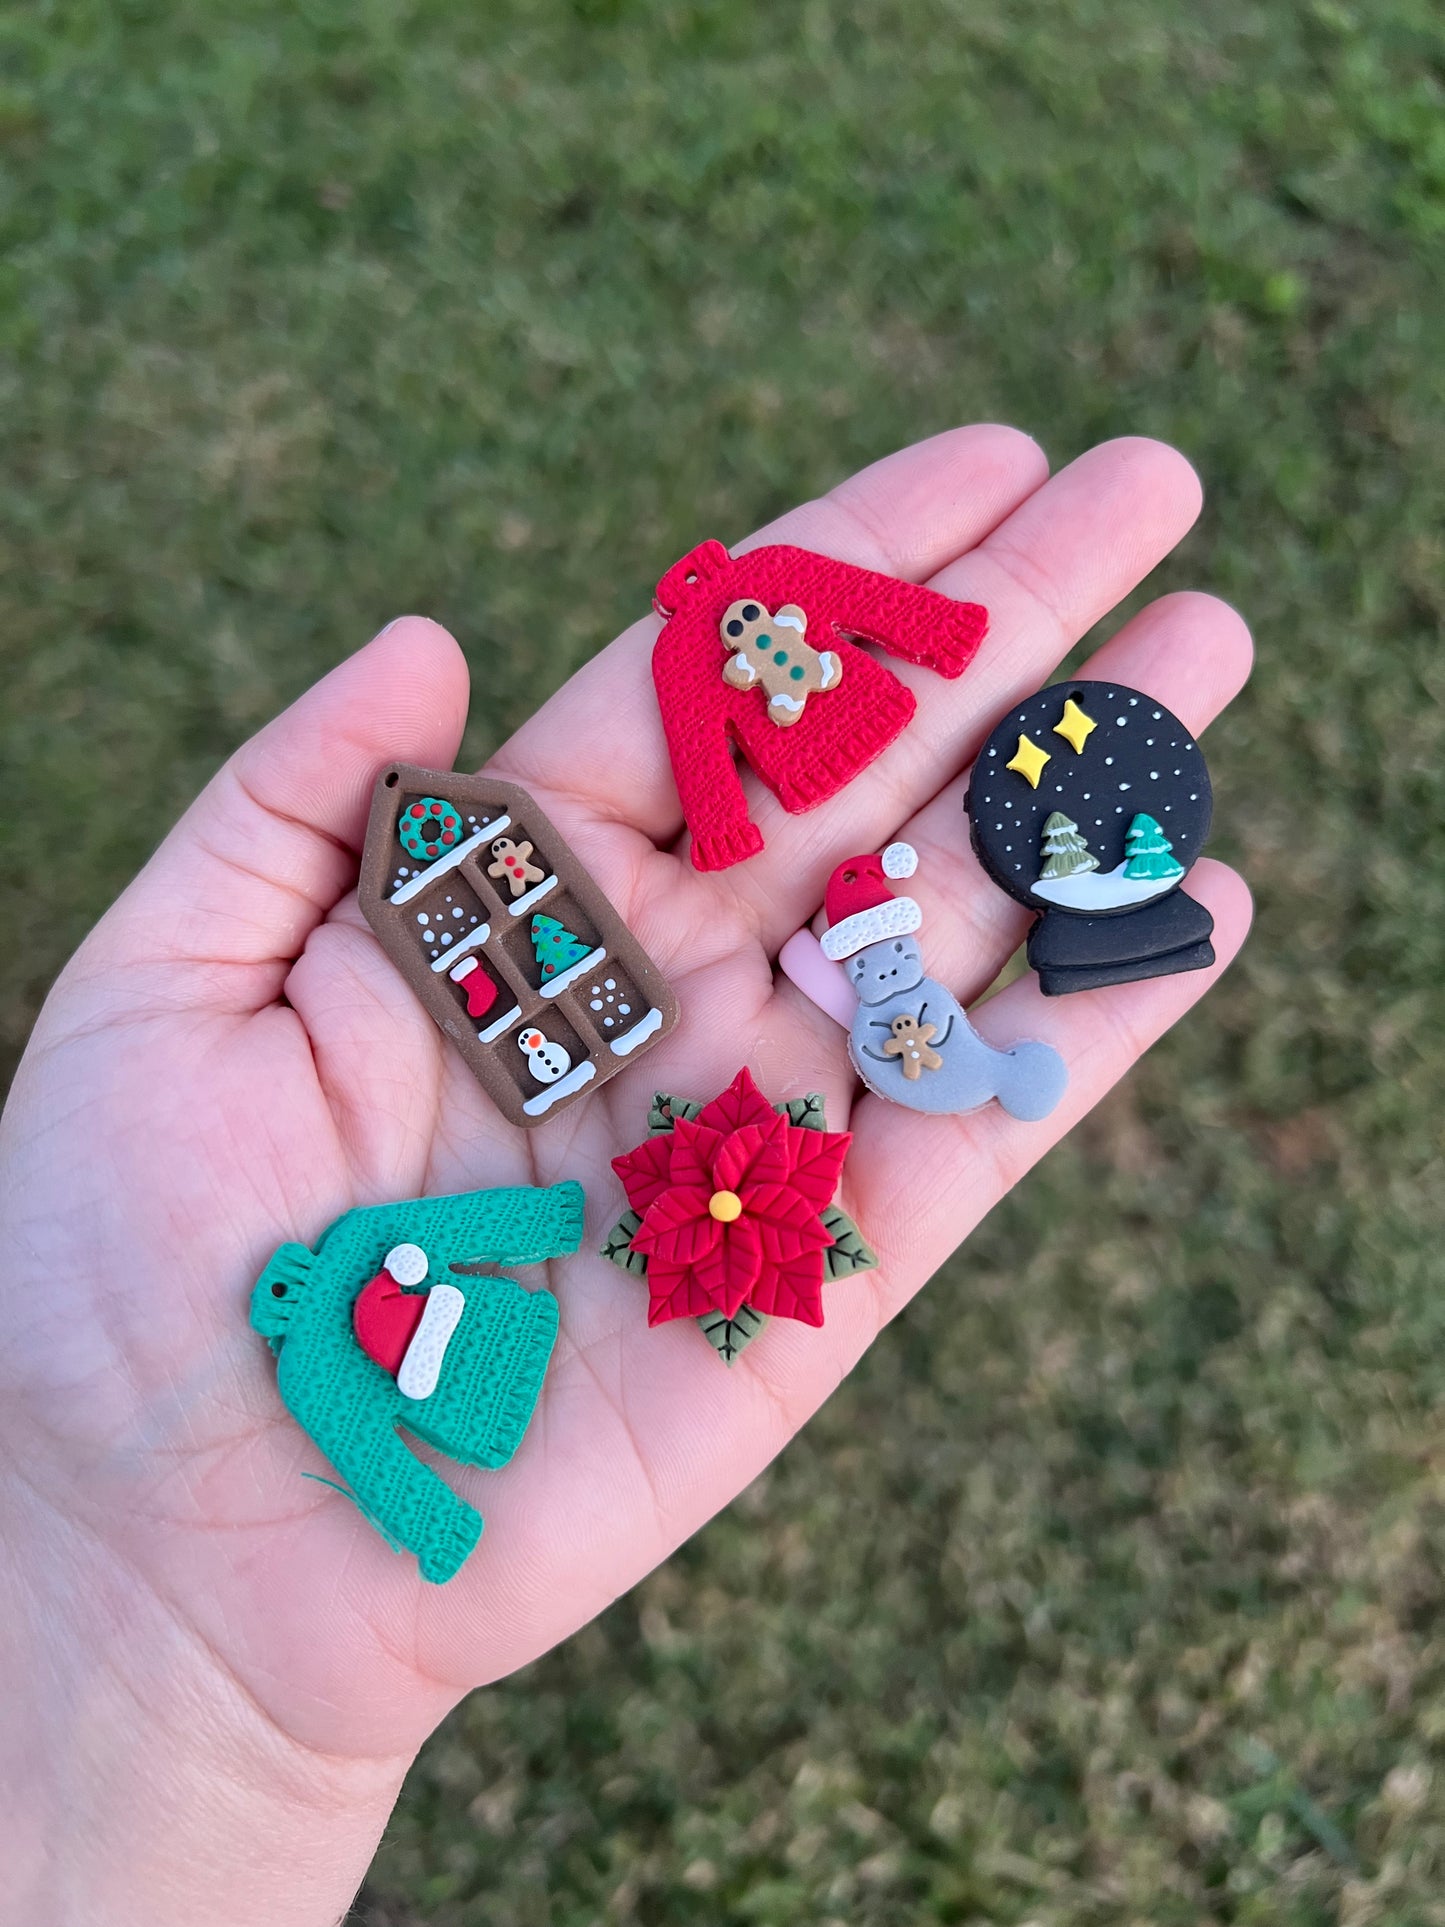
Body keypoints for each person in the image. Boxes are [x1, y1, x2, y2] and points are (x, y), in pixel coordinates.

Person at [0, 424, 1252, 1926]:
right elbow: (453, 1258)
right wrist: (397, 1528)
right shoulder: (334, 1316)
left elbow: (468, 1228)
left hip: (759, 912)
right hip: (520, 1314)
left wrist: (929, 638)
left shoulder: (775, 592)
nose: (728, 631)